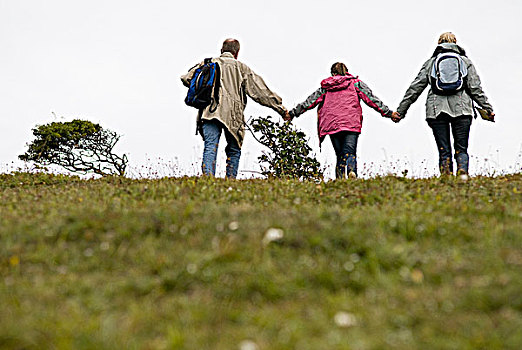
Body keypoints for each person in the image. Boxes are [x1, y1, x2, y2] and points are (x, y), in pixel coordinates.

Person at [181, 39, 288, 179]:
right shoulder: (242, 68)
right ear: (236, 53)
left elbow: (186, 78)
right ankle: (230, 180)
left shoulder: (208, 62)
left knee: (211, 145)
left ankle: (207, 179)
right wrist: (281, 109)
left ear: (221, 50)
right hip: (233, 114)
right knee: (234, 149)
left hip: (209, 110)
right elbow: (261, 92)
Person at [395, 32, 495, 176]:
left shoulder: (431, 63)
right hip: (462, 110)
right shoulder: (465, 62)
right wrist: (487, 108)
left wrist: (401, 111)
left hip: (436, 111)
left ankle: (446, 177)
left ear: (438, 43)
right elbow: (475, 88)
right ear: (455, 43)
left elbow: (415, 88)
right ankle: (462, 174)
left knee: (444, 149)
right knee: (461, 147)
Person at [286, 62, 399, 179]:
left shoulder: (326, 87)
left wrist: (292, 113)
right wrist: (389, 113)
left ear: (332, 73)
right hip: (351, 123)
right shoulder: (356, 84)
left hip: (332, 124)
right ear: (346, 71)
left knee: (340, 154)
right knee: (350, 151)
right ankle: (352, 172)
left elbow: (309, 102)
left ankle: (340, 180)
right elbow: (371, 99)